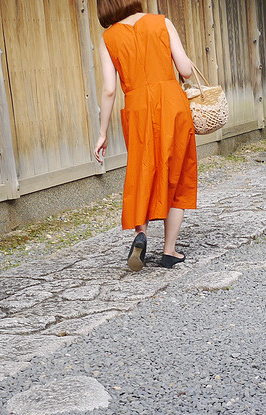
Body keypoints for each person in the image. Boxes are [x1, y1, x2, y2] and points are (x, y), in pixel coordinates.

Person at [93, 0, 198, 271]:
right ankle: (169, 251)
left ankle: (142, 233)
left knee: (143, 170)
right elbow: (185, 70)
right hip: (171, 104)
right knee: (176, 171)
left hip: (138, 108)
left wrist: (102, 132)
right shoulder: (161, 22)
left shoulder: (108, 37)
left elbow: (108, 90)